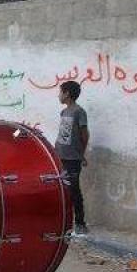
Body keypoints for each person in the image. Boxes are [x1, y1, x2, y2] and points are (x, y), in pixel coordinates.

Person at [55, 80, 89, 235]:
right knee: (62, 189)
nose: (59, 95)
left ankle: (80, 223)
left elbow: (84, 134)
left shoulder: (78, 112)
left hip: (73, 158)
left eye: (60, 92)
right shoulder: (64, 112)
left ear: (67, 93)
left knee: (74, 189)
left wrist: (82, 154)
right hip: (60, 155)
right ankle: (64, 220)